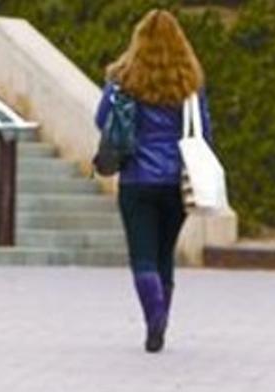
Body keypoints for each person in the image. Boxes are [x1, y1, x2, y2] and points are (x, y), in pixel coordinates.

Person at [95, 9, 212, 353]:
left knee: (142, 256)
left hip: (136, 180)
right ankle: (161, 320)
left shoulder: (123, 80)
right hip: (178, 181)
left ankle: (154, 320)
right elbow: (204, 130)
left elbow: (102, 119)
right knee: (164, 254)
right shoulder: (190, 84)